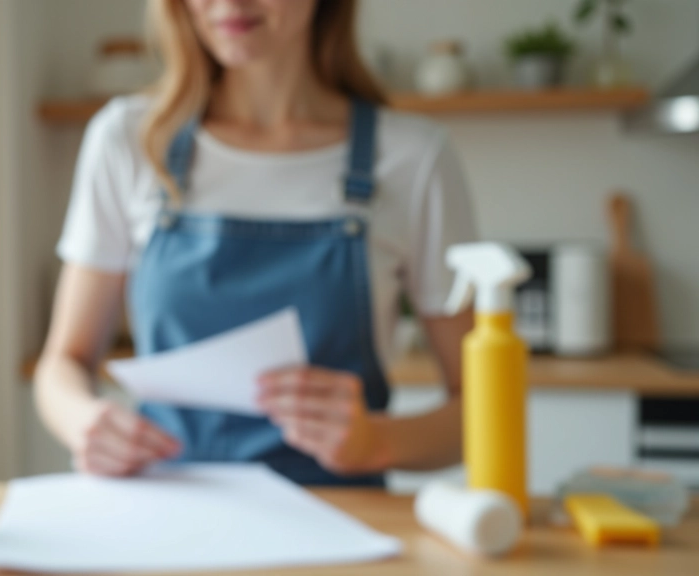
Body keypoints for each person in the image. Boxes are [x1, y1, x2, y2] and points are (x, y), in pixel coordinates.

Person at [34, 0, 477, 486]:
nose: (228, 5)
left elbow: (479, 412)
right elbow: (63, 365)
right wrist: (85, 422)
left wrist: (376, 441)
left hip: (338, 530)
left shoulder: (414, 160)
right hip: (167, 519)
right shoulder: (128, 139)